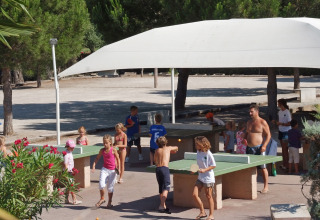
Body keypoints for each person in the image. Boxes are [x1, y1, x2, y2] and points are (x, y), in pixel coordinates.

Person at [244, 104, 271, 193]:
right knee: (252, 168)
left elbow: (268, 135)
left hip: (259, 148)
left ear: (257, 112)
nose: (250, 113)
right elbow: (247, 133)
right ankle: (253, 186)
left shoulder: (262, 122)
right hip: (249, 148)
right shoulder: (249, 122)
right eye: (249, 112)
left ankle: (266, 186)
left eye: (252, 112)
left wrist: (264, 145)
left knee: (263, 168)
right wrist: (244, 139)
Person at [92, 134, 120, 208]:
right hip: (104, 169)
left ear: (110, 142)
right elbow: (97, 158)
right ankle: (102, 199)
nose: (105, 144)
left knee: (110, 188)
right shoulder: (102, 150)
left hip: (112, 171)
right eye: (104, 143)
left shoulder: (113, 150)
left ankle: (109, 202)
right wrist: (94, 165)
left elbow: (118, 158)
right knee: (101, 185)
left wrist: (118, 168)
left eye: (106, 143)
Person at [192, 136, 216, 220]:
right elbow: (199, 164)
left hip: (208, 178)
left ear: (202, 144)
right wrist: (194, 170)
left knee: (209, 196)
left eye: (197, 143)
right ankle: (202, 212)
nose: (195, 145)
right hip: (200, 177)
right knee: (194, 194)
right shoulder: (198, 152)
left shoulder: (208, 153)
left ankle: (211, 215)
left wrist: (205, 170)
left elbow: (213, 165)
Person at [154, 136, 178, 214]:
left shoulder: (157, 150)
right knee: (166, 188)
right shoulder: (168, 148)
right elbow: (176, 147)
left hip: (158, 169)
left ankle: (163, 206)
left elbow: (155, 160)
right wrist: (174, 150)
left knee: (161, 188)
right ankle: (161, 205)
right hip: (164, 169)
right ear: (166, 142)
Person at [272, 99, 291, 170]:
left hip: (286, 132)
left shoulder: (287, 112)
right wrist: (276, 122)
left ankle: (287, 165)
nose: (277, 105)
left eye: (278, 103)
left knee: (285, 149)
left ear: (281, 104)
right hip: (280, 131)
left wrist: (281, 124)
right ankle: (284, 164)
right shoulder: (279, 112)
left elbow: (289, 123)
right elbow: (280, 121)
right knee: (283, 149)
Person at [64, 139, 82, 205]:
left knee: (68, 186)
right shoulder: (66, 154)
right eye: (71, 147)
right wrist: (66, 173)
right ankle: (74, 200)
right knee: (72, 186)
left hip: (70, 171)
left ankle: (66, 199)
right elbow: (65, 164)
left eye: (73, 147)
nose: (73, 148)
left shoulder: (69, 153)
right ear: (67, 146)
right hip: (68, 172)